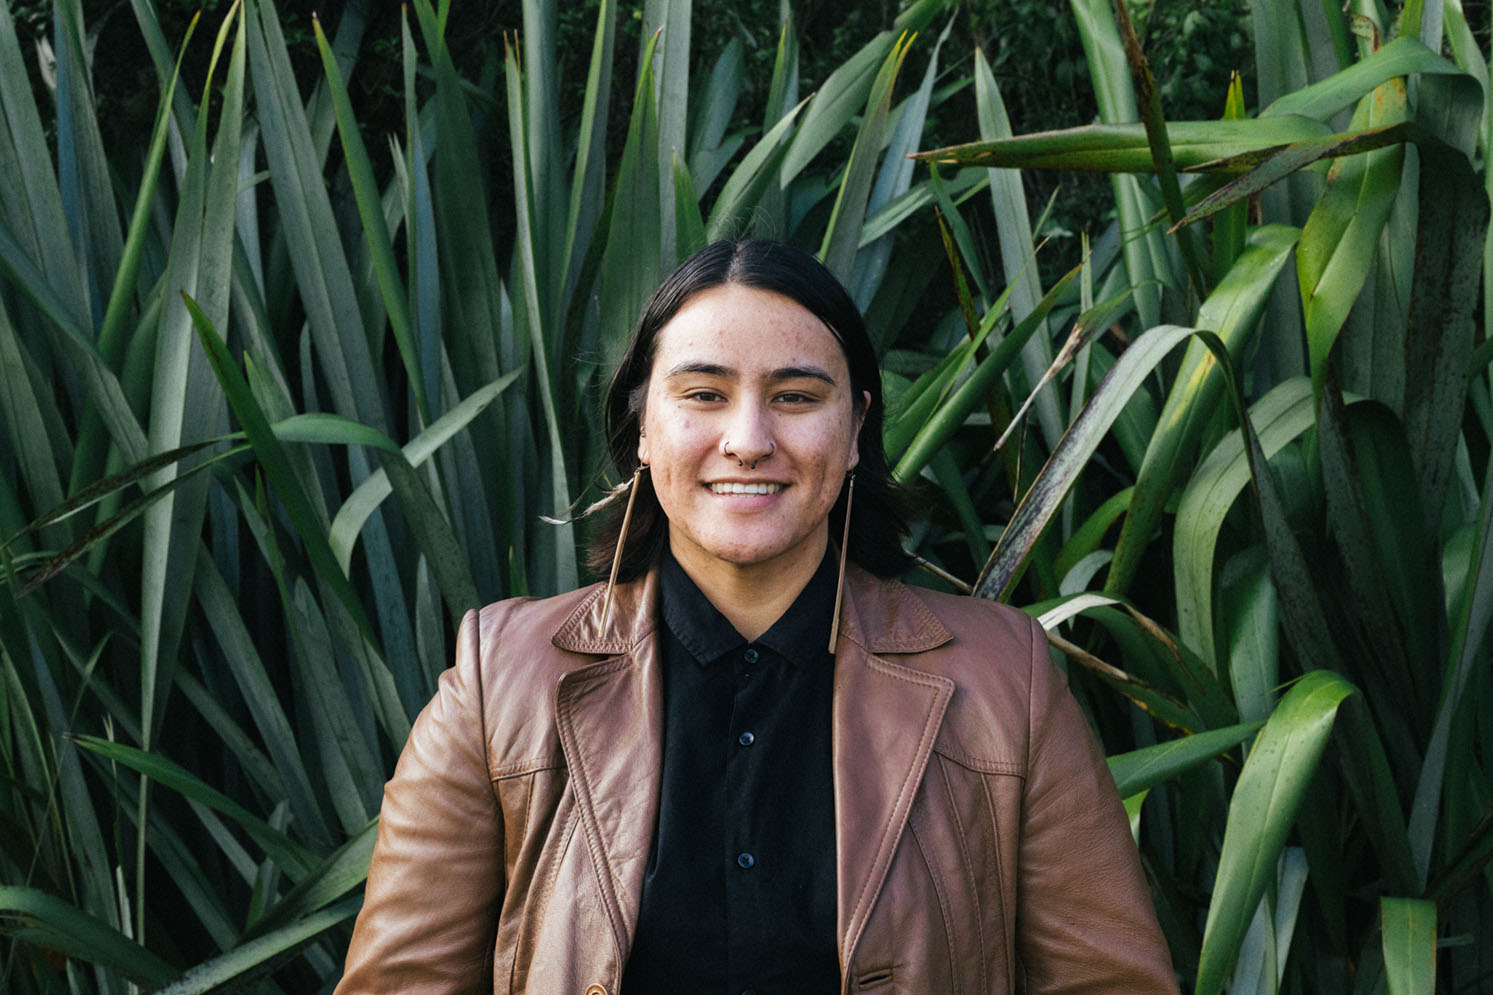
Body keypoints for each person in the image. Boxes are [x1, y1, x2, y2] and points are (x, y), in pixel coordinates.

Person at [336, 240, 1178, 994]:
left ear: (854, 432)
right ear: (641, 427)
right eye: (703, 393)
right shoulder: (501, 680)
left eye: (797, 397)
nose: (747, 438)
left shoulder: (1005, 681)